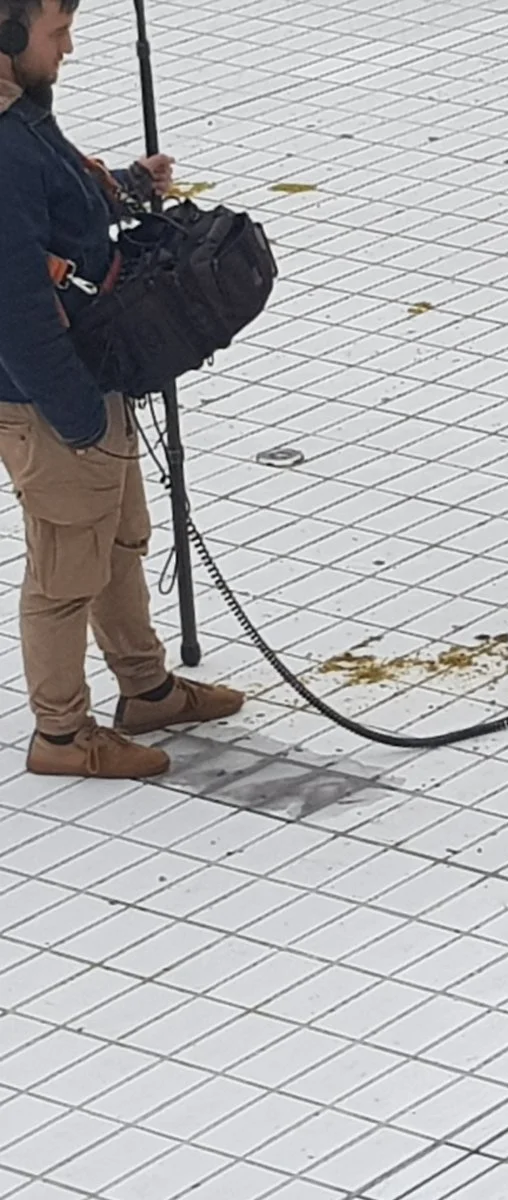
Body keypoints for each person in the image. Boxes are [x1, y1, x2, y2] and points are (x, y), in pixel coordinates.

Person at [0, 0, 242, 779]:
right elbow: (16, 304)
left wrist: (127, 188)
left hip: (87, 373)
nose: (68, 48)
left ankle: (145, 687)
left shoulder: (20, 114)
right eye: (56, 32)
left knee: (118, 534)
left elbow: (60, 207)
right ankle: (62, 738)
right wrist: (74, 417)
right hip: (46, 393)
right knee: (67, 561)